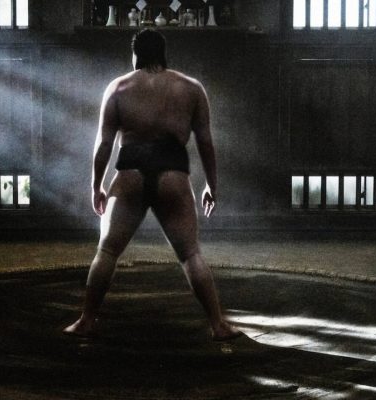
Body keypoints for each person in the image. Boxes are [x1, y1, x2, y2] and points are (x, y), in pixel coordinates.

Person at [63, 29, 243, 341]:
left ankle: (86, 321)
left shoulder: (118, 87)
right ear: (163, 54)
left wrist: (97, 186)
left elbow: (104, 144)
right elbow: (206, 143)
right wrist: (211, 186)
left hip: (130, 174)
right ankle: (218, 325)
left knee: (107, 251)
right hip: (173, 175)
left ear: (135, 55)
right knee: (191, 255)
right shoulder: (191, 88)